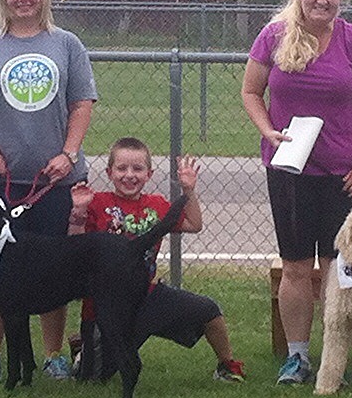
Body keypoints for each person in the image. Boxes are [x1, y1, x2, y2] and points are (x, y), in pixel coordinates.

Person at [240, 0, 352, 387]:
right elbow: (251, 91)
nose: (322, 1)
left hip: (343, 173)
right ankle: (298, 357)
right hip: (288, 169)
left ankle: (337, 359)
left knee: (341, 266)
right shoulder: (274, 36)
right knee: (297, 266)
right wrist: (268, 130)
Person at [0, 0, 97, 383]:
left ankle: (53, 354)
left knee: (53, 269)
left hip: (52, 182)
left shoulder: (67, 44)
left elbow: (82, 103)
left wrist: (68, 154)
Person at [68, 139, 245, 382]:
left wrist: (189, 191)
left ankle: (227, 366)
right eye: (122, 169)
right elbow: (74, 250)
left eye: (138, 169)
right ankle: (83, 350)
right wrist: (77, 212)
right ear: (109, 173)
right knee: (93, 379)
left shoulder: (157, 205)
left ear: (149, 174)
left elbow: (194, 225)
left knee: (209, 310)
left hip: (147, 296)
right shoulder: (97, 203)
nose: (129, 175)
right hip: (106, 305)